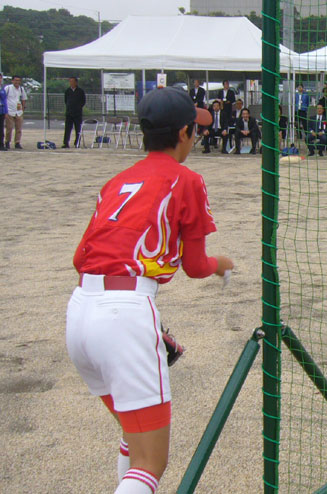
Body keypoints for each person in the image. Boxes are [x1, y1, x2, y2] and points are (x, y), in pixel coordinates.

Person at [66, 86, 234, 494]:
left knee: (134, 433)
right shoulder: (186, 179)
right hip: (124, 316)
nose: (197, 135)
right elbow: (195, 266)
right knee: (150, 463)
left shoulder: (118, 181)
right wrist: (221, 265)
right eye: (195, 129)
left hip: (80, 311)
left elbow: (79, 258)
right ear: (183, 133)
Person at [4, 75, 27, 150]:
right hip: (9, 110)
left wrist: (23, 108)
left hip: (18, 111)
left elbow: (23, 98)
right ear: (12, 81)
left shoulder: (21, 89)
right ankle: (7, 142)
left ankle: (17, 142)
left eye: (18, 80)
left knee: (19, 128)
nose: (17, 82)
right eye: (15, 80)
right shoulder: (8, 88)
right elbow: (3, 98)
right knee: (9, 128)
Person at [63, 76, 86, 149]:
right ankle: (66, 143)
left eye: (72, 81)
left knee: (78, 129)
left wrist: (78, 107)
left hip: (77, 113)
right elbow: (66, 100)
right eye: (70, 81)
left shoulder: (80, 91)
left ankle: (77, 142)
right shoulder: (67, 91)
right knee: (67, 129)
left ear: (76, 82)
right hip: (69, 113)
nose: (71, 83)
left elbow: (83, 101)